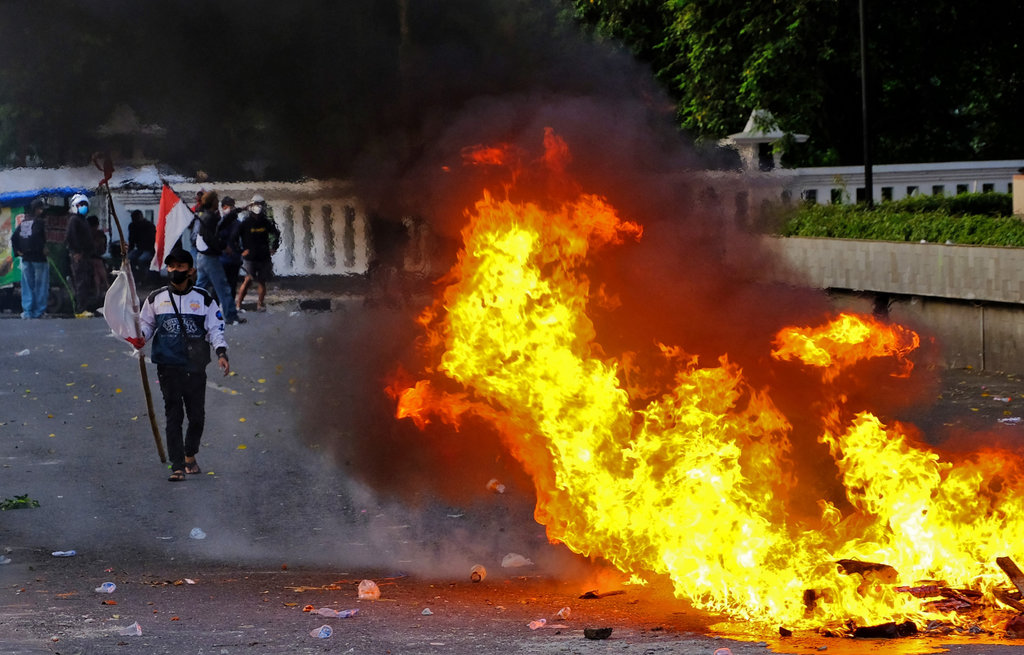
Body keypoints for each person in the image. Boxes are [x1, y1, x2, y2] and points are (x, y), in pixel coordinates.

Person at [128, 248, 230, 481]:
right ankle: (177, 466)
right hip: (168, 366)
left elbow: (215, 329)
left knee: (196, 417)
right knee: (173, 415)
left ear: (191, 270)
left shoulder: (204, 299)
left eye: (180, 267)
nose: (175, 271)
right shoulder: (156, 298)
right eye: (171, 267)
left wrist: (221, 352)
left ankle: (189, 454)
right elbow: (146, 326)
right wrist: (139, 337)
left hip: (195, 367)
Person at [194, 191, 244, 324]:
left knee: (200, 287)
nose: (218, 202)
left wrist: (237, 211)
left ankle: (192, 311)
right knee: (223, 287)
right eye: (216, 200)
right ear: (213, 202)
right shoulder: (210, 218)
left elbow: (221, 223)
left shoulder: (206, 216)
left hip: (202, 257)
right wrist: (223, 247)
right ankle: (231, 316)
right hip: (211, 258)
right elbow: (211, 237)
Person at [235, 194, 280, 313]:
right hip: (250, 258)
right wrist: (241, 251)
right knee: (248, 279)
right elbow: (234, 237)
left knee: (262, 281)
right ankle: (238, 304)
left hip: (264, 256)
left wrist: (274, 247)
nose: (257, 207)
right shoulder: (245, 223)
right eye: (255, 204)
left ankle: (260, 304)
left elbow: (276, 233)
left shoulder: (265, 222)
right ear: (251, 206)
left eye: (260, 204)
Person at [10, 198, 49, 318]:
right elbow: (39, 238)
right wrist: (43, 249)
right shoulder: (39, 223)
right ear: (37, 210)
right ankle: (39, 311)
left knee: (27, 286)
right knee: (41, 286)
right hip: (39, 259)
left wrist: (18, 251)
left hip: (26, 259)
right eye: (41, 209)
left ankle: (27, 311)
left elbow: (13, 238)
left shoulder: (24, 223)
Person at [65, 193, 97, 313]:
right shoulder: (74, 220)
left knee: (86, 282)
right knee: (81, 282)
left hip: (86, 255)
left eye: (85, 205)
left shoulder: (82, 220)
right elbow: (70, 237)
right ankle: (80, 309)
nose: (83, 207)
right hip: (79, 256)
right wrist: (77, 252)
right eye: (80, 205)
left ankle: (85, 306)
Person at [217, 197, 243, 303]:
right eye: (227, 206)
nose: (230, 209)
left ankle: (230, 308)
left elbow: (241, 240)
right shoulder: (219, 223)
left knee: (232, 285)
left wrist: (241, 253)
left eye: (232, 206)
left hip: (234, 259)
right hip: (221, 259)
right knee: (220, 285)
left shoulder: (238, 223)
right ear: (223, 208)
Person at [126, 209, 156, 279]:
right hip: (140, 249)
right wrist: (129, 250)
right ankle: (134, 277)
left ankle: (144, 277)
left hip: (149, 250)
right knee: (129, 258)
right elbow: (131, 240)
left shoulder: (149, 226)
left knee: (141, 260)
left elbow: (153, 240)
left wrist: (153, 252)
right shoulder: (132, 226)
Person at [86, 215, 109, 296]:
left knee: (96, 268)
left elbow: (102, 249)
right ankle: (106, 285)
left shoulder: (99, 234)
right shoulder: (87, 235)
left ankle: (99, 289)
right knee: (97, 264)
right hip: (89, 257)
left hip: (96, 256)